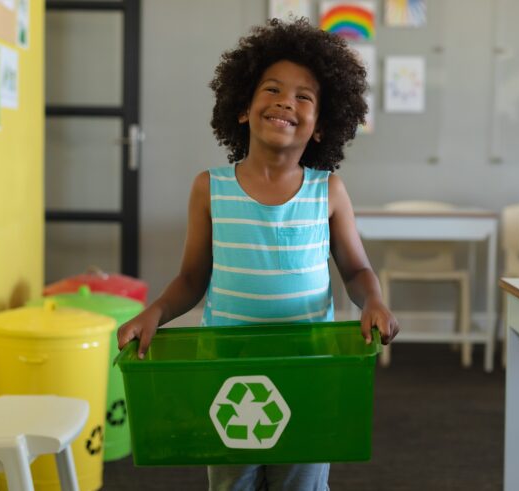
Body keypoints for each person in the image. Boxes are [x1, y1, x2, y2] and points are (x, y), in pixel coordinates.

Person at [118, 17, 399, 491]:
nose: (286, 100)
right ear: (243, 109)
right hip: (230, 369)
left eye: (304, 96)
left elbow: (356, 268)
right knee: (232, 482)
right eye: (272, 89)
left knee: (301, 483)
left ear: (320, 126)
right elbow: (192, 278)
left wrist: (371, 301)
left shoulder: (327, 190)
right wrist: (157, 313)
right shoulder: (210, 189)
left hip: (309, 367)